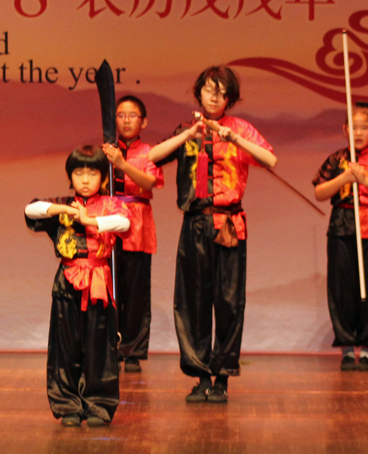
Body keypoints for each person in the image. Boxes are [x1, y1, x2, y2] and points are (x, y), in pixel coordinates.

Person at [148, 65, 277, 403]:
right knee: (193, 301)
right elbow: (152, 157)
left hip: (230, 225)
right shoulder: (187, 128)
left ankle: (222, 378)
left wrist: (235, 139)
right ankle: (200, 375)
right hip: (195, 223)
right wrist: (186, 136)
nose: (214, 96)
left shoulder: (240, 128)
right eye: (209, 89)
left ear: (230, 97)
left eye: (221, 91)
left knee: (230, 302)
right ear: (199, 92)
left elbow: (270, 160)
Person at [24, 145, 131, 427]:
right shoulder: (61, 204)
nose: (85, 179)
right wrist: (63, 210)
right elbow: (31, 209)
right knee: (65, 347)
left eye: (92, 173)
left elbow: (123, 223)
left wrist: (88, 219)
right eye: (78, 172)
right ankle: (68, 405)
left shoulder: (111, 205)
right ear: (70, 177)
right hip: (66, 281)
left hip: (98, 283)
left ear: (103, 178)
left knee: (99, 348)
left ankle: (98, 406)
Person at [312, 102, 368, 371]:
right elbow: (319, 192)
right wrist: (346, 178)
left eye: (364, 127)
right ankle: (347, 347)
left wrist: (365, 181)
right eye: (354, 127)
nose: (359, 132)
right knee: (342, 289)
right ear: (344, 129)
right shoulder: (336, 159)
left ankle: (367, 349)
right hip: (342, 223)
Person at [102, 95, 164, 373]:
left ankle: (133, 351)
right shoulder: (105, 151)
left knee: (137, 292)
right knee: (109, 290)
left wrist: (123, 164)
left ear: (144, 121)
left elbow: (150, 182)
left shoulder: (150, 152)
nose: (126, 120)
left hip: (138, 225)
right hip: (109, 225)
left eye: (132, 115)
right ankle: (108, 346)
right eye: (121, 115)